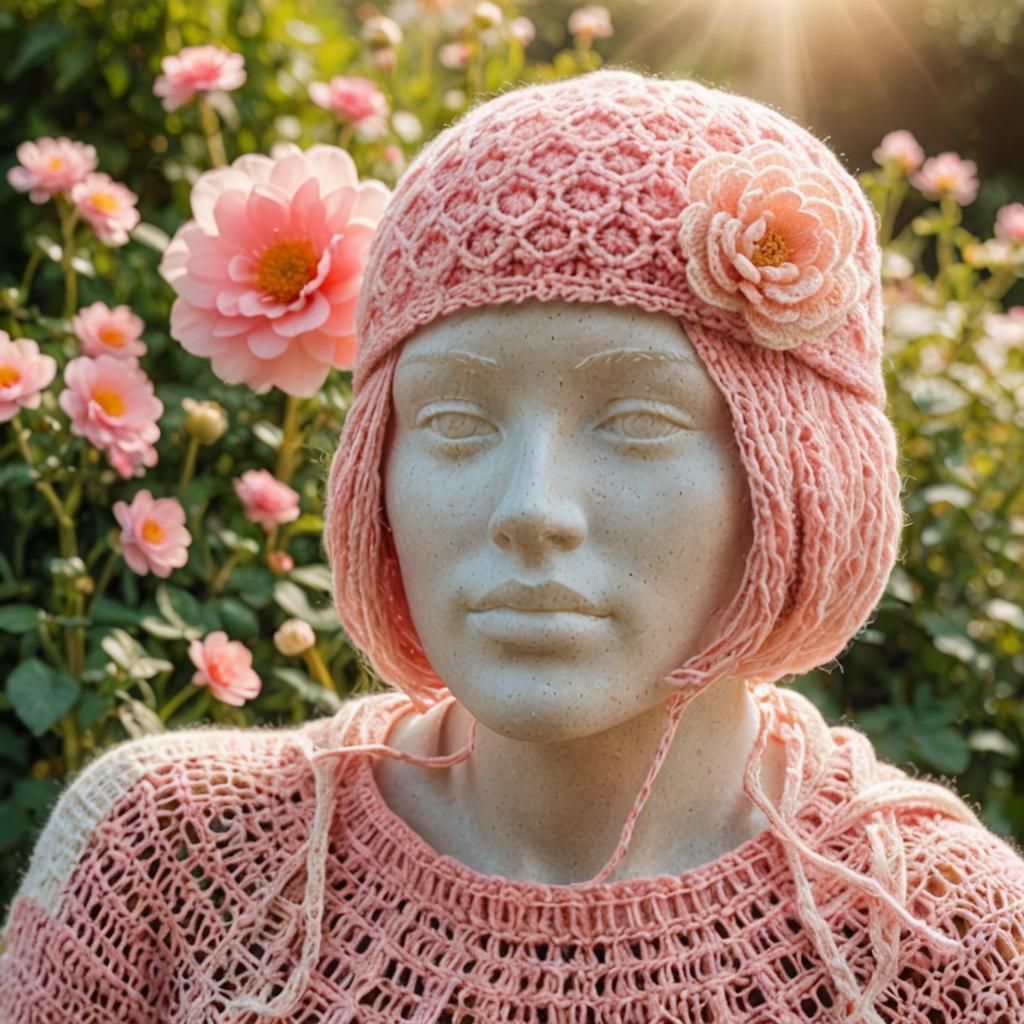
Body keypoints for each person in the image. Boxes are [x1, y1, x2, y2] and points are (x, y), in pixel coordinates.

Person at [1, 67, 1022, 1024]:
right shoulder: (170, 863)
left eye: (639, 422)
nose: (530, 507)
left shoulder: (952, 948)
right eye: (452, 421)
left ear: (802, 470)